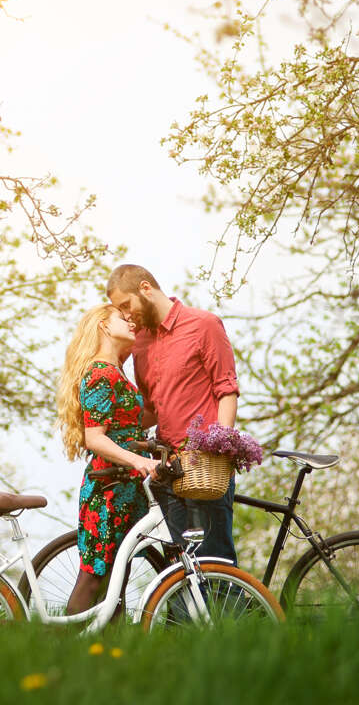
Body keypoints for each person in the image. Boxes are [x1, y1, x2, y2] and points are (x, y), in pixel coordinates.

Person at [106, 263, 240, 565]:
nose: (127, 315)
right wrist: (107, 433)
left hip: (203, 464)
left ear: (145, 288)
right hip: (166, 467)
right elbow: (152, 409)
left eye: (126, 305)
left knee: (215, 561)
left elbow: (226, 390)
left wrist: (220, 448)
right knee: (178, 570)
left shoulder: (203, 325)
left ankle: (234, 611)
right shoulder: (139, 341)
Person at [56, 303, 159, 614]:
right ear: (102, 326)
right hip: (108, 488)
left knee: (117, 580)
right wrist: (139, 460)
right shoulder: (100, 373)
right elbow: (95, 438)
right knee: (93, 578)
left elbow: (127, 423)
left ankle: (109, 653)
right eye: (122, 318)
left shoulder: (116, 371)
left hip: (125, 487)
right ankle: (56, 646)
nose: (131, 322)